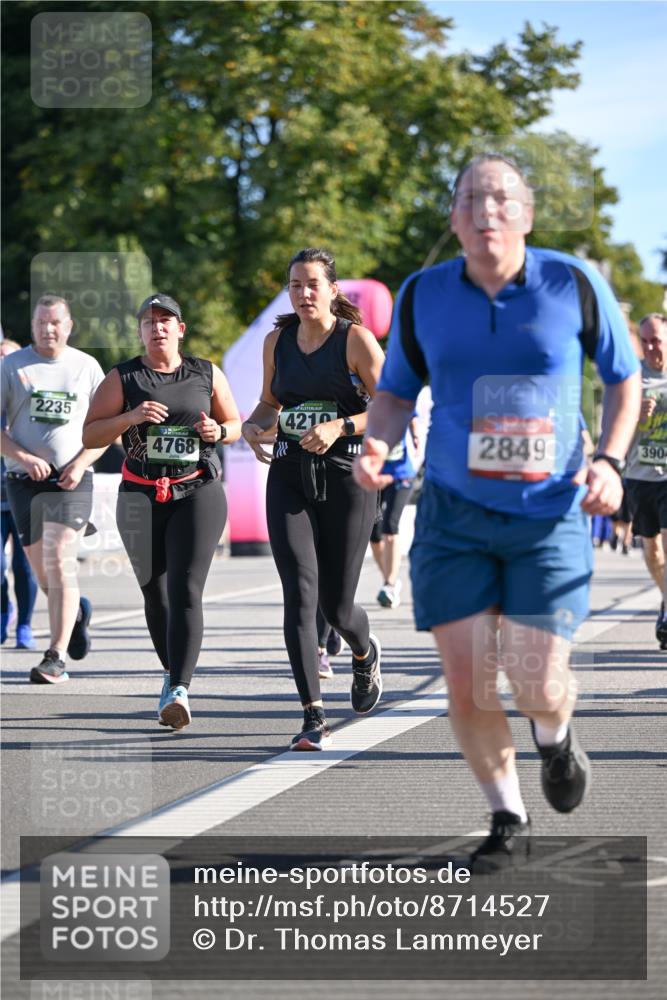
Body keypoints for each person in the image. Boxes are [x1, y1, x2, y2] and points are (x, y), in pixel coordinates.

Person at [354, 154, 640, 868]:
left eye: (501, 198)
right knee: (469, 677)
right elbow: (392, 391)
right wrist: (373, 444)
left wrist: (607, 462)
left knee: (537, 679)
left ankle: (554, 734)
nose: (486, 211)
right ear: (452, 217)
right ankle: (506, 818)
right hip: (453, 513)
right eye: (470, 199)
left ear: (527, 214)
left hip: (546, 513)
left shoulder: (570, 283)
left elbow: (623, 379)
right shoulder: (423, 295)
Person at [242, 247, 385, 751]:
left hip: (347, 478)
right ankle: (312, 715)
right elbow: (270, 401)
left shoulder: (355, 341)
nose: (303, 293)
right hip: (288, 475)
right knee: (300, 595)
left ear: (332, 290)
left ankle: (364, 654)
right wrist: (251, 424)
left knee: (337, 606)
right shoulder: (276, 341)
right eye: (295, 284)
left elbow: (391, 407)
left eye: (312, 284)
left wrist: (342, 426)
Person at [83, 293, 241, 729]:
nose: (158, 328)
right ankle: (172, 674)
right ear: (141, 332)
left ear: (180, 329)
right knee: (156, 591)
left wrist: (218, 429)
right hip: (139, 496)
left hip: (197, 492)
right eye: (149, 322)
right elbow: (91, 435)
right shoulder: (123, 376)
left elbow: (235, 425)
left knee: (186, 589)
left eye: (166, 321)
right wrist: (130, 418)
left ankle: (179, 689)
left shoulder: (206, 373)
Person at [1, 296, 106, 683]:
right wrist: (24, 458)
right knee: (44, 573)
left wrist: (80, 463)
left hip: (71, 480)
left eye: (56, 322)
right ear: (32, 326)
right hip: (23, 481)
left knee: (60, 556)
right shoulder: (11, 366)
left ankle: (55, 656)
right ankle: (76, 614)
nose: (49, 329)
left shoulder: (86, 367)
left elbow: (106, 428)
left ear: (69, 325)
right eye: (42, 322)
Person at [622, 313, 667, 647]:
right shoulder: (631, 378)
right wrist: (634, 414)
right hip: (639, 476)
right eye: (647, 340)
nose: (652, 347)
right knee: (652, 552)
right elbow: (614, 428)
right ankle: (666, 599)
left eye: (658, 340)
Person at [1, 339, 38, 648]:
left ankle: (24, 623)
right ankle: (4, 610)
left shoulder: (30, 398)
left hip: (24, 489)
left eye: (7, 355)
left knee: (25, 565)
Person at [370, 416, 419, 609]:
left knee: (391, 525)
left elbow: (412, 416)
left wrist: (415, 434)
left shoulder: (399, 392)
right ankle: (389, 580)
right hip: (375, 474)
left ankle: (389, 585)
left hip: (401, 475)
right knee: (374, 534)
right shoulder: (365, 398)